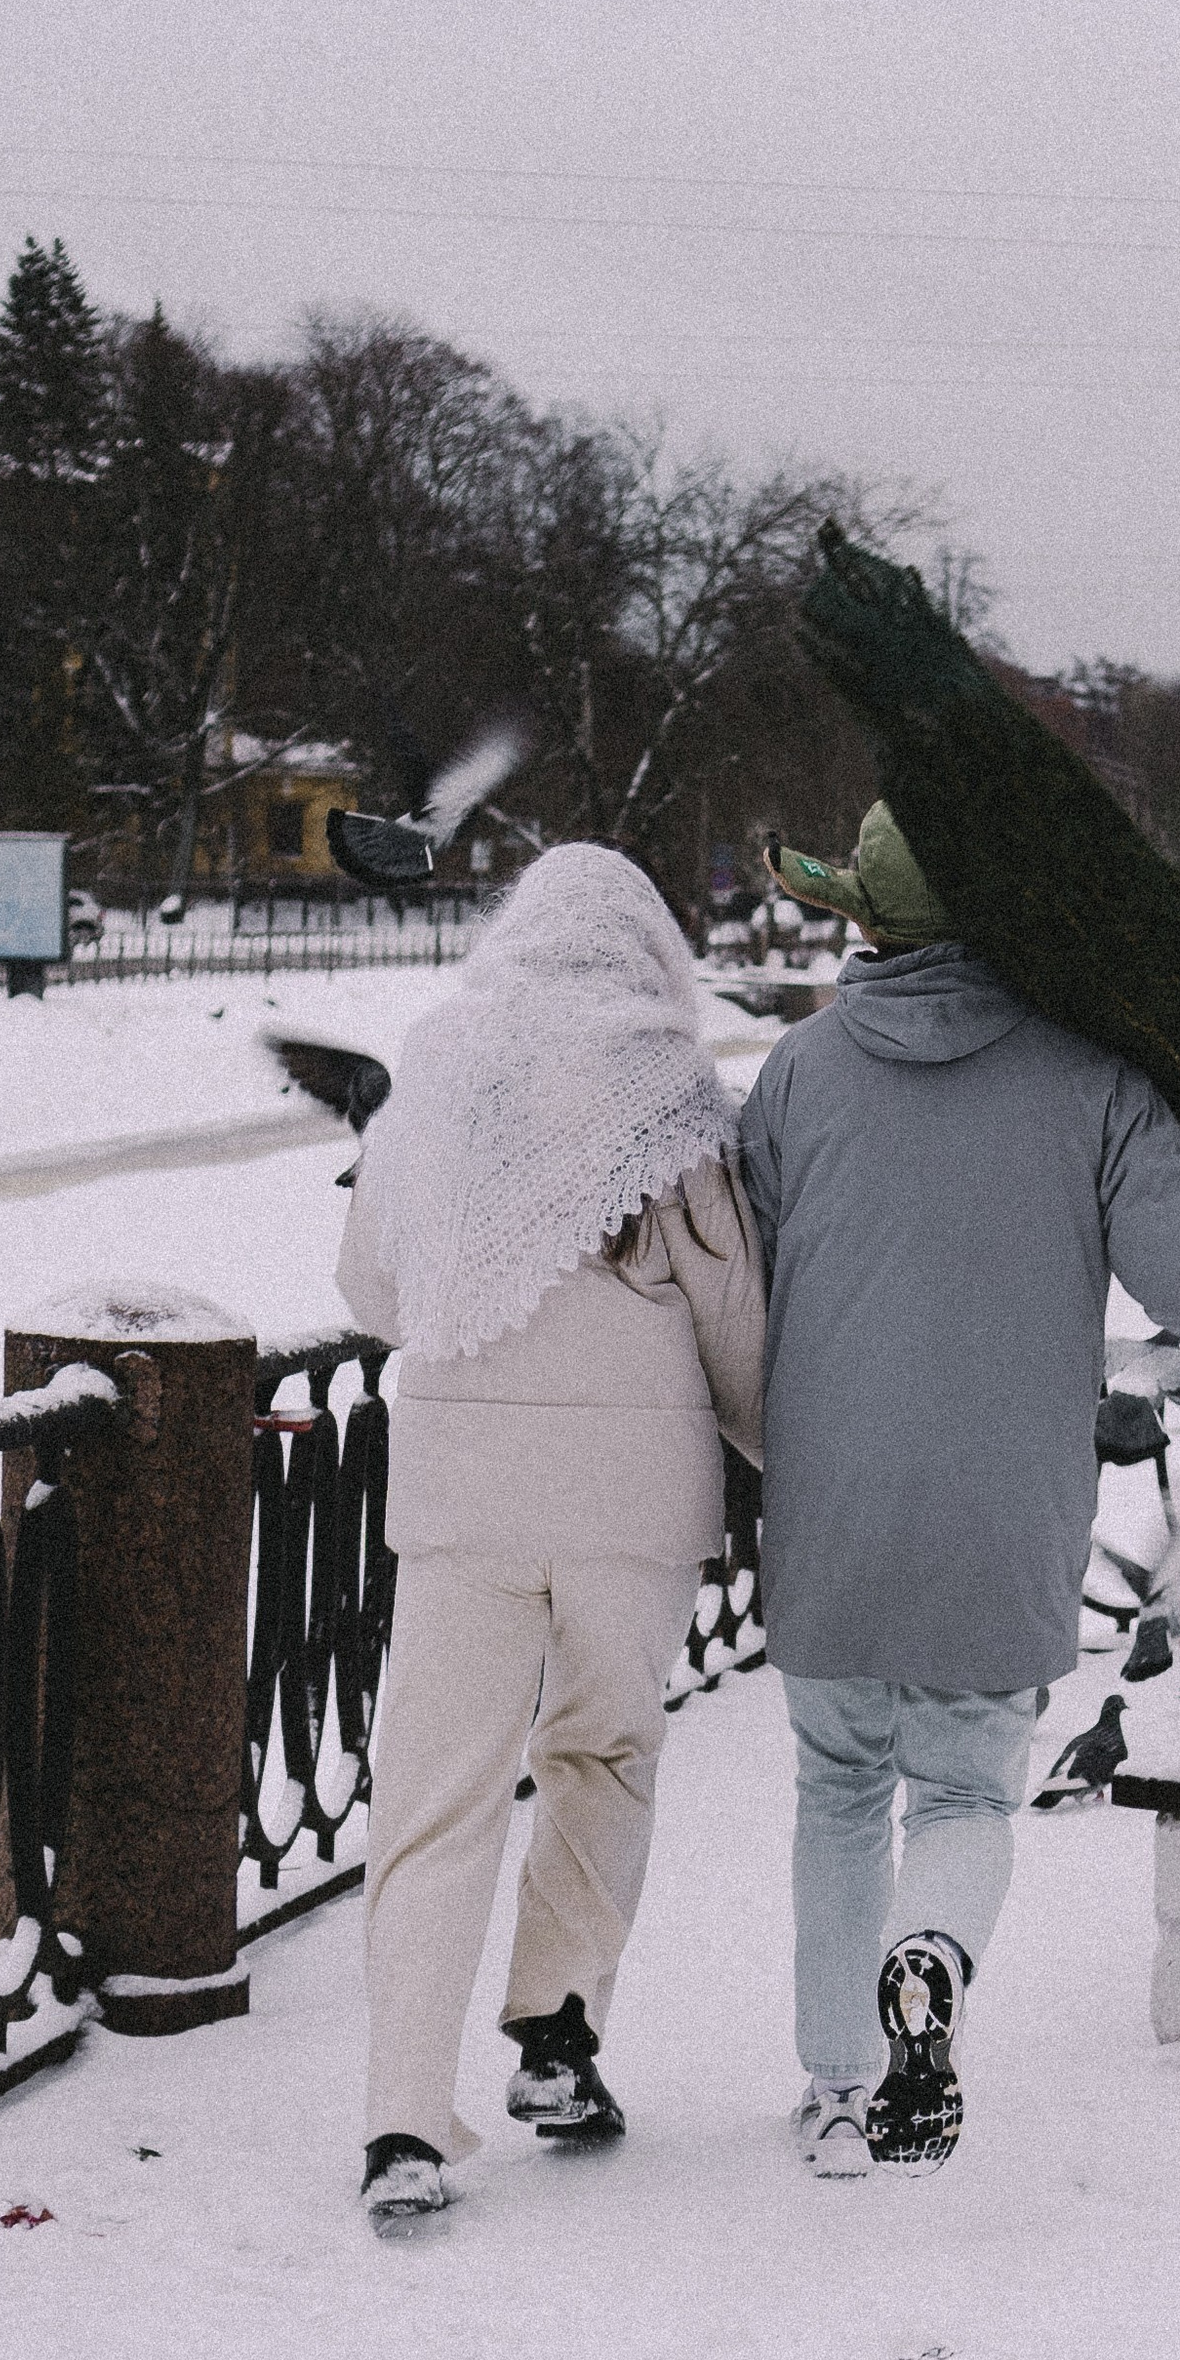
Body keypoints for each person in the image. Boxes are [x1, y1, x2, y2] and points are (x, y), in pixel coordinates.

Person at [738, 800, 1180, 2178]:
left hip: (828, 1504)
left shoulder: (797, 1074)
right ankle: (928, 1962)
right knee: (964, 1799)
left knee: (835, 1790)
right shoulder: (1102, 1081)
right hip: (1000, 1515)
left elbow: (747, 1275)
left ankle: (834, 2093)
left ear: (861, 922)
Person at [337, 844, 764, 2230]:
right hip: (633, 1507)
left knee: (436, 1794)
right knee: (603, 1755)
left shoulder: (437, 1076)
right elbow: (734, 1321)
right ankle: (558, 2042)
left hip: (463, 1497)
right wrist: (781, 1457)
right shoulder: (675, 1097)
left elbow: (374, 1288)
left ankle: (403, 2118)